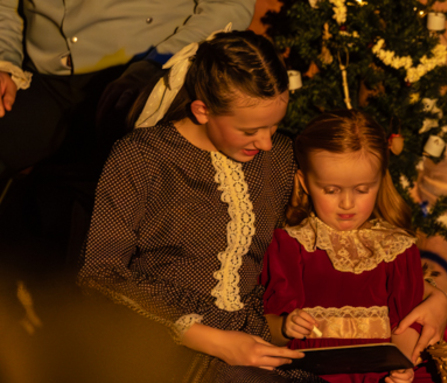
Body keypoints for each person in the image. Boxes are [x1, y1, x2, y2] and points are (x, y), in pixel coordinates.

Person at [78, 29, 447, 383]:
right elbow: (100, 274)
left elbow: (340, 234)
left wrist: (433, 296)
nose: (267, 142)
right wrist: (212, 339)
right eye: (251, 129)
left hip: (258, 341)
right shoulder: (141, 158)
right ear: (202, 110)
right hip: (164, 340)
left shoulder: (276, 160)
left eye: (275, 125)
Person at [0, 0, 256, 273]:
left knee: (109, 197)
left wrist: (164, 62)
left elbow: (232, 4)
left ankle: (80, 301)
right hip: (42, 74)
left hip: (143, 75)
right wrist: (3, 60)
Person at [260, 110, 447, 383]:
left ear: (379, 183)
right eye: (331, 190)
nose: (347, 204)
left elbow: (403, 321)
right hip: (318, 374)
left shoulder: (395, 248)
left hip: (379, 371)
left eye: (362, 190)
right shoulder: (294, 244)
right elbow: (269, 322)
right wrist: (287, 324)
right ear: (305, 183)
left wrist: (401, 365)